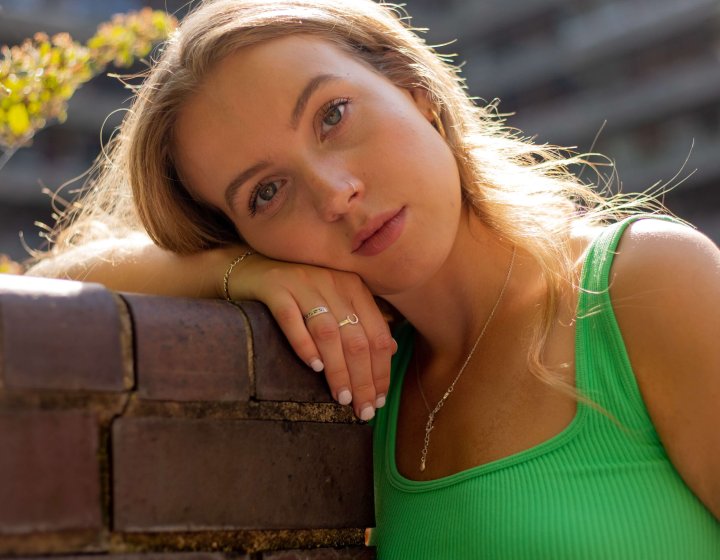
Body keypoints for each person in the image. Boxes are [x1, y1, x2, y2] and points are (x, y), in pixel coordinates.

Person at [27, 0, 719, 556]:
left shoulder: (645, 282)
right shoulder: (371, 371)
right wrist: (238, 272)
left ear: (414, 90)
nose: (333, 194)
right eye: (265, 194)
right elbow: (54, 287)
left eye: (332, 115)